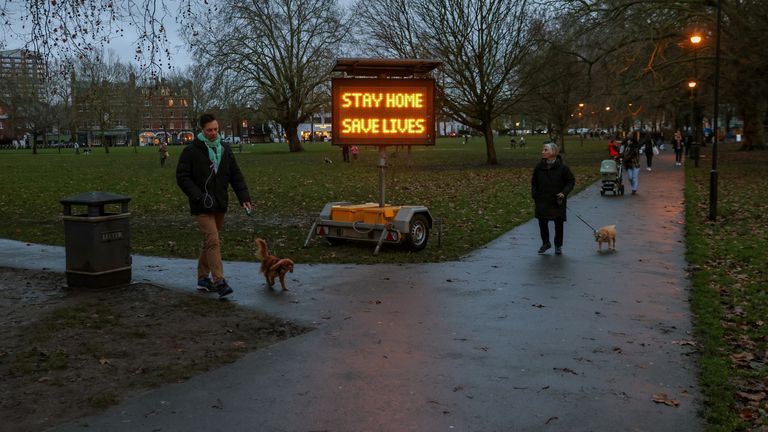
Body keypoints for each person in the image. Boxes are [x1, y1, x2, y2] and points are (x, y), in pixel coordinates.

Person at [176, 113, 253, 298]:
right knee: (213, 240)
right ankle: (219, 281)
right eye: (209, 130)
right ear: (201, 130)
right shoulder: (192, 150)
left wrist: (244, 198)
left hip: (219, 203)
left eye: (215, 130)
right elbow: (182, 177)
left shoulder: (224, 148)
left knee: (209, 242)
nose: (213, 133)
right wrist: (198, 196)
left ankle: (203, 279)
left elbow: (235, 175)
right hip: (202, 205)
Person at [531, 142, 576, 255]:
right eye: (543, 150)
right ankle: (546, 243)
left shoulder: (563, 167)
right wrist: (535, 194)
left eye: (546, 150)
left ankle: (558, 245)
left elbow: (570, 181)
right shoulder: (539, 167)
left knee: (558, 224)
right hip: (542, 199)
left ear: (553, 152)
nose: (543, 152)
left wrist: (564, 193)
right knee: (542, 222)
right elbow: (534, 182)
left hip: (557, 200)